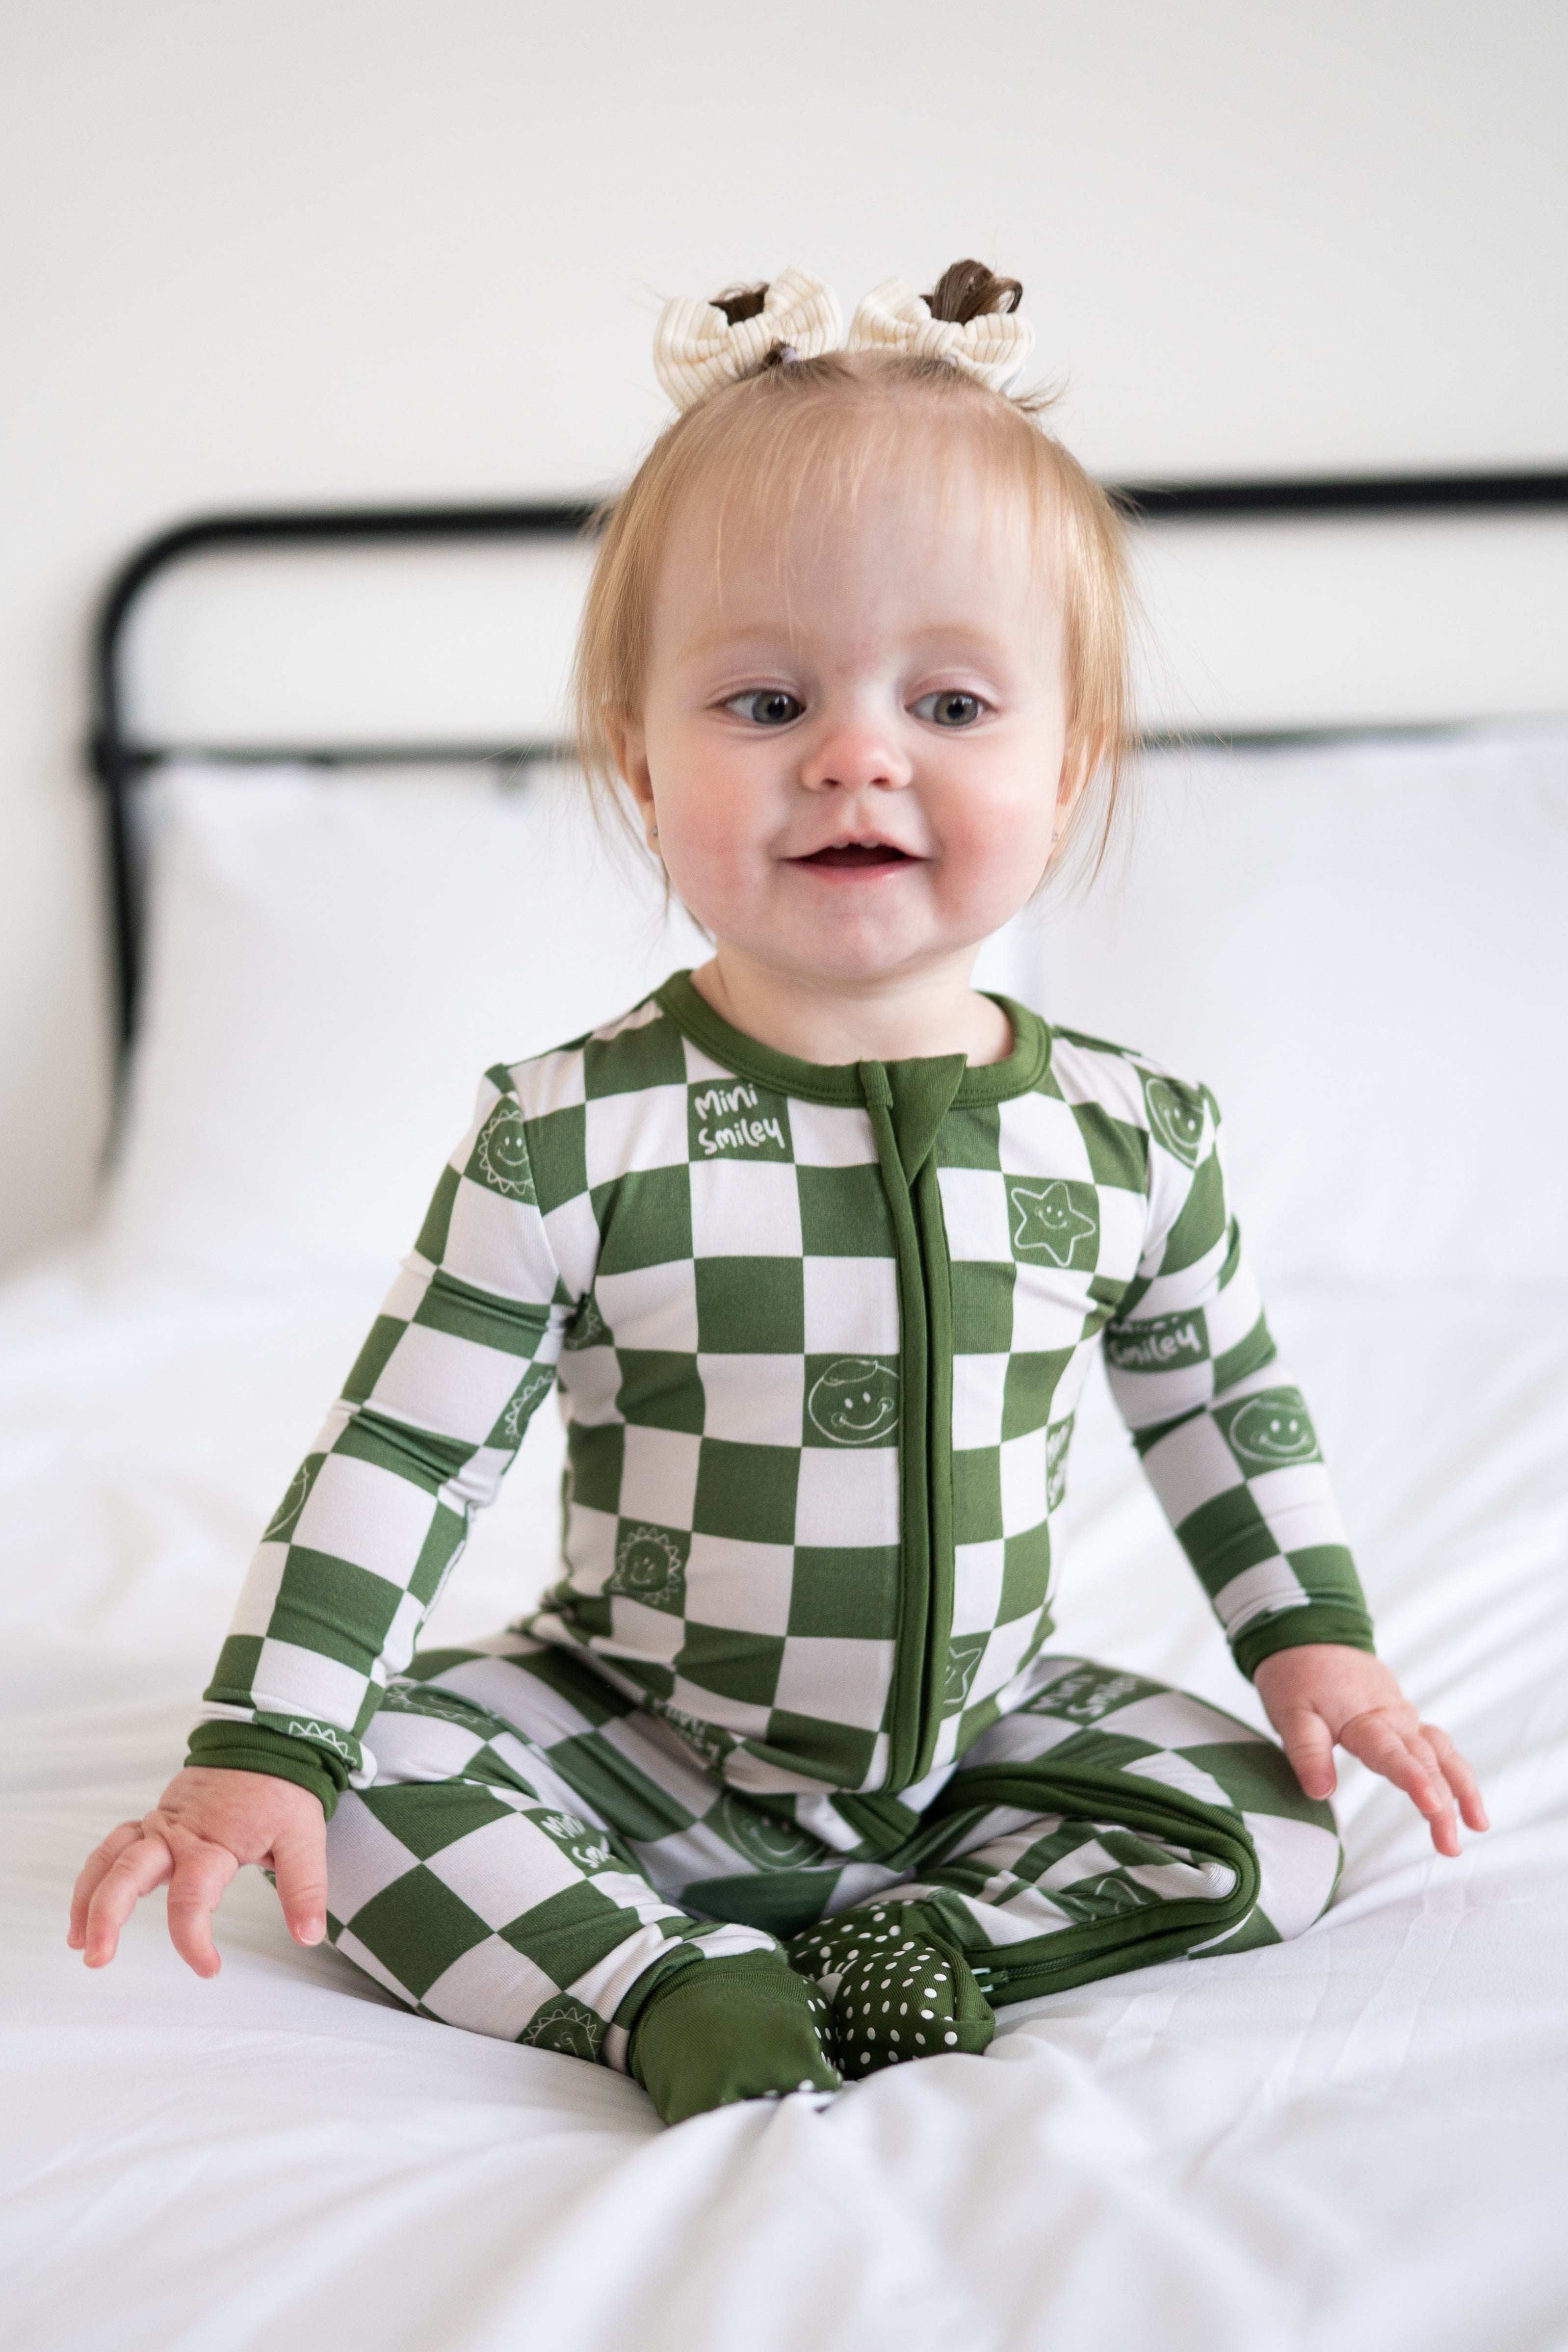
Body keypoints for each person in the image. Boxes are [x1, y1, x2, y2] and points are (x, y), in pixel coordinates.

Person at [69, 260, 1487, 2126]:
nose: (855, 752)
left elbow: (1220, 1408)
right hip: (630, 1725)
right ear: (639, 762)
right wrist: (260, 1738)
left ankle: (938, 1954)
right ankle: (666, 1982)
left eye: (954, 697)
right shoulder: (569, 1133)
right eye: (761, 696)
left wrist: (1314, 1643)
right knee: (359, 1789)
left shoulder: (1132, 1138)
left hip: (970, 1740)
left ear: (1068, 766)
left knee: (1271, 1825)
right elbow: (401, 1461)